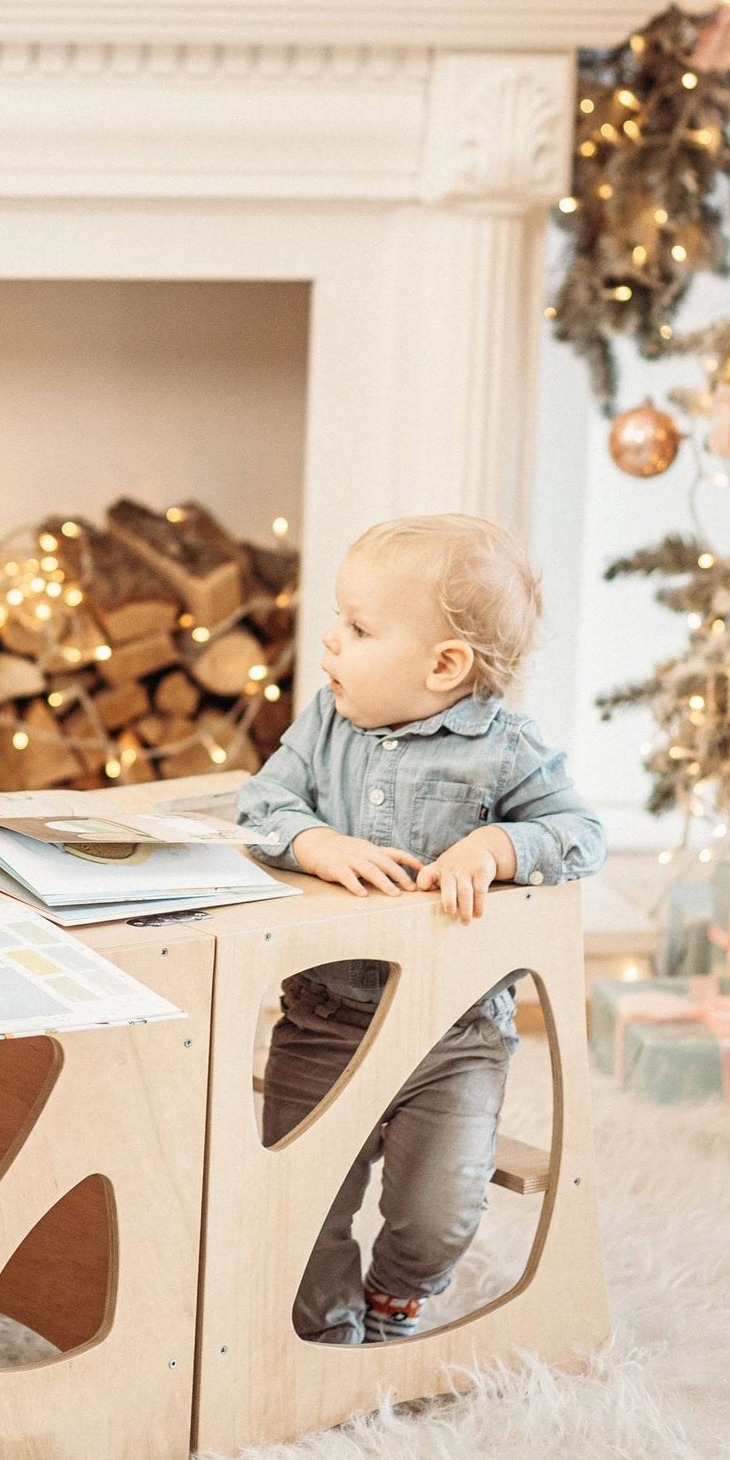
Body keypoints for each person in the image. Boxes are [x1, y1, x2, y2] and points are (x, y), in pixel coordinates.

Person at [238, 513, 604, 1345]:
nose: (327, 640)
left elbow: (581, 836)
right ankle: (321, 1328)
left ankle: (397, 1297)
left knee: (439, 1207)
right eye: (337, 617)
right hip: (323, 1022)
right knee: (301, 1192)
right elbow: (260, 804)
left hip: (455, 1032)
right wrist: (312, 840)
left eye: (358, 627)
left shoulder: (506, 750)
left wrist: (498, 843)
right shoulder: (321, 727)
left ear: (444, 665)